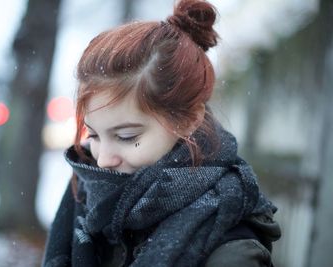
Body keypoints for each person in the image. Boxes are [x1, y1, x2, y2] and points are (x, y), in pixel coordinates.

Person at [43, 0, 281, 266]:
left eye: (126, 137)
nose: (102, 160)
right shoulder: (87, 199)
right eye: (94, 135)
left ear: (189, 120)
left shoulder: (230, 250)